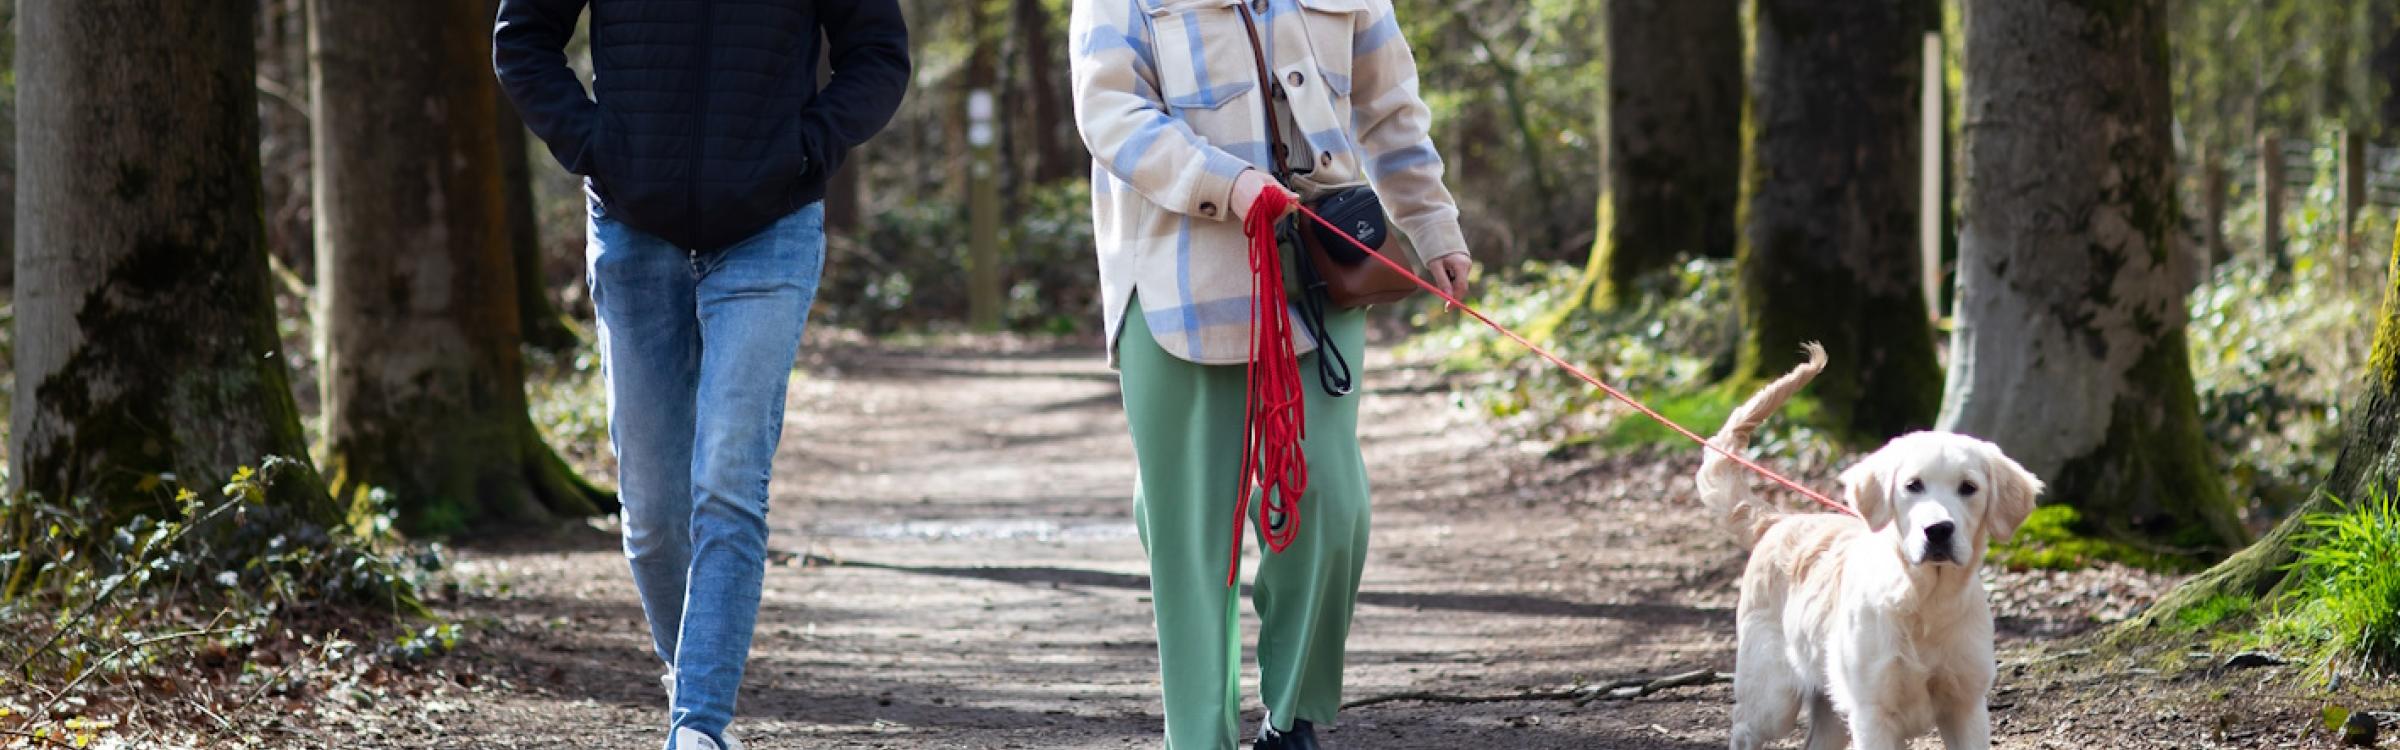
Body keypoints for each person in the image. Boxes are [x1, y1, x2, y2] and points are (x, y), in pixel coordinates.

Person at [493, 3, 908, 749]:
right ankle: (688, 678)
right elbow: (522, 38)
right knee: (653, 512)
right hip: (631, 229)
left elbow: (877, 53)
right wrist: (597, 146)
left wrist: (805, 148)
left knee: (727, 481)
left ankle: (699, 726)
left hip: (770, 230)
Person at [1068, 0, 1472, 747]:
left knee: (1330, 498)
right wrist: (1223, 181)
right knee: (1192, 532)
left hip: (1320, 279)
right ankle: (1200, 738)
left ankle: (1293, 721)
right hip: (1175, 285)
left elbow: (1389, 105)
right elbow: (1110, 112)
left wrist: (1432, 224)